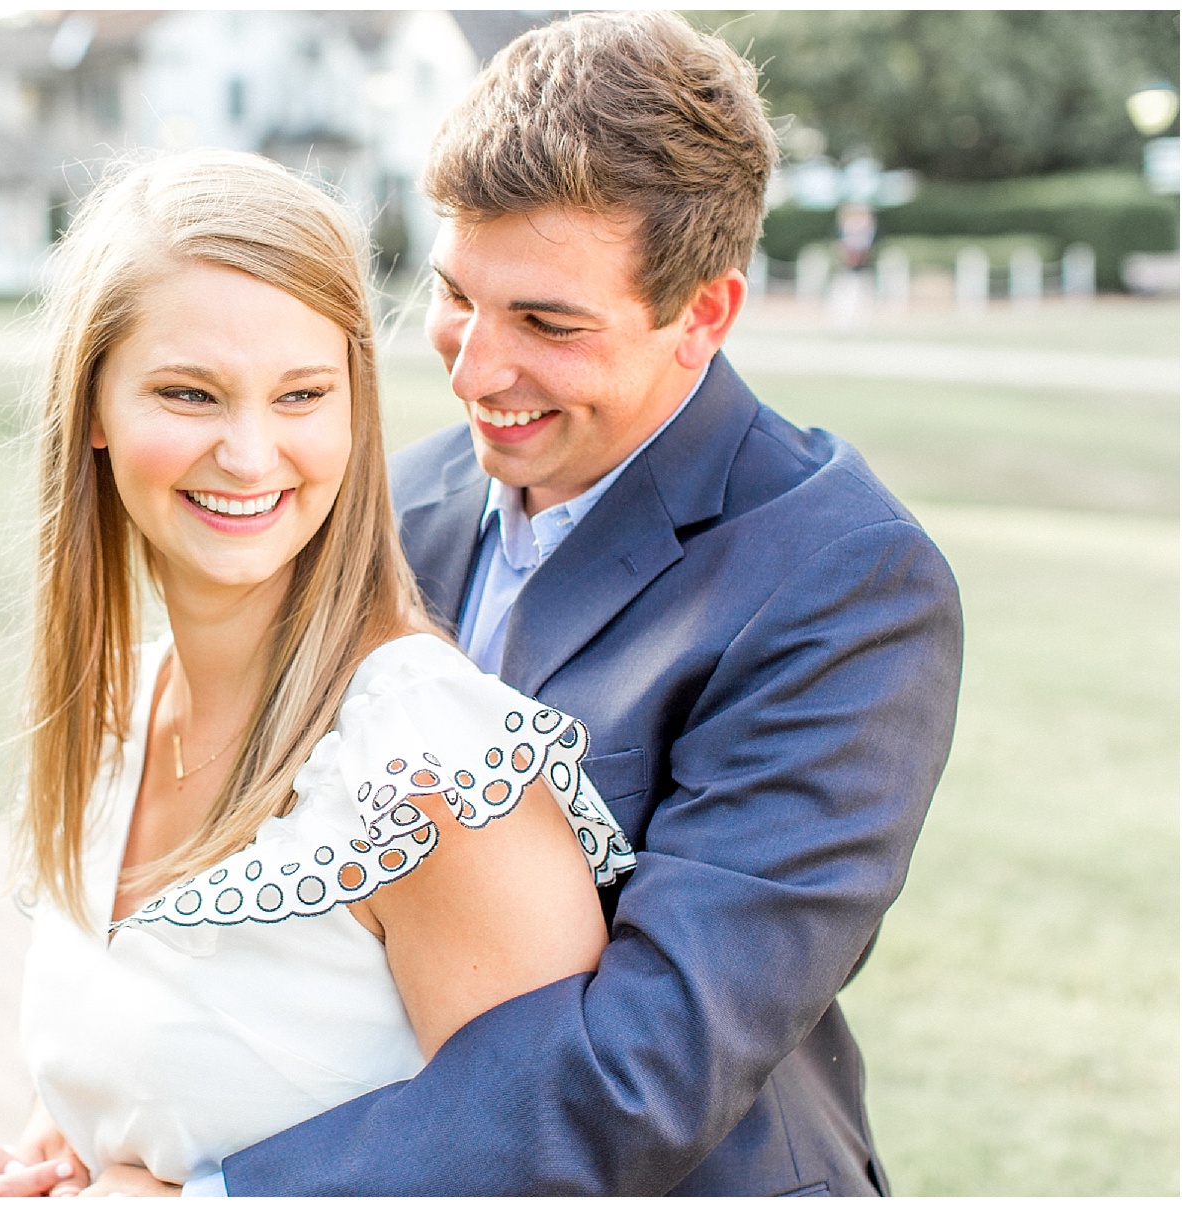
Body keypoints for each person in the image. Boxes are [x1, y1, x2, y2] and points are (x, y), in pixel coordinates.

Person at [187, 11, 966, 1196]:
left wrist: (222, 1192)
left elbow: (646, 1067)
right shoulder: (402, 497)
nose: (473, 368)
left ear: (702, 314)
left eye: (548, 323)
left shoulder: (847, 582)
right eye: (456, 294)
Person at [0, 148, 636, 1197]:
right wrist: (52, 1158)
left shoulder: (431, 768)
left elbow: (564, 1170)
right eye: (190, 393)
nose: (252, 452)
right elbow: (156, 1088)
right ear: (91, 406)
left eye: (302, 394)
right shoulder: (118, 714)